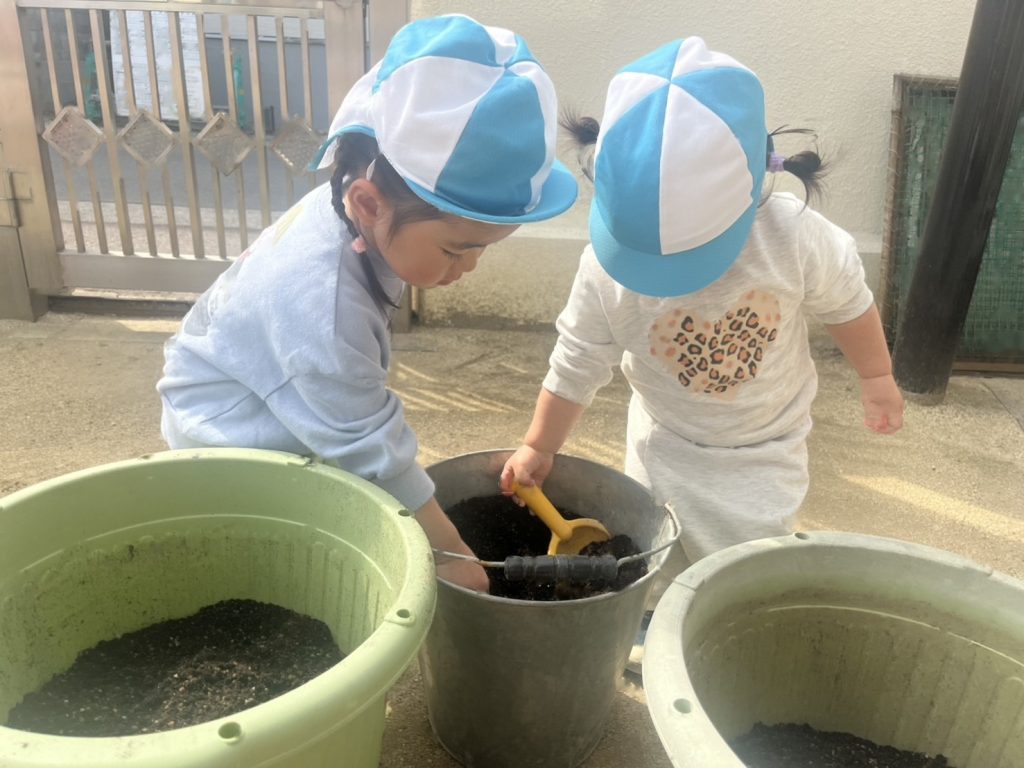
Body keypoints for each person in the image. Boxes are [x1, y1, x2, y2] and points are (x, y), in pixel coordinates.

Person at [157, 14, 578, 592]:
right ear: (370, 203)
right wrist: (449, 554)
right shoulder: (323, 305)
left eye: (481, 249)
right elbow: (365, 443)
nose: (469, 267)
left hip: (266, 396)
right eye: (456, 250)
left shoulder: (352, 211)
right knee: (297, 568)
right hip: (228, 437)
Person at [500, 37, 904, 583]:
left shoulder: (792, 236)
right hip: (664, 443)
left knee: (745, 571)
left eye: (691, 255)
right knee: (655, 557)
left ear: (752, 186)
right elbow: (578, 360)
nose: (671, 277)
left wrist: (876, 376)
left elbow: (848, 302)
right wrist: (539, 445)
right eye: (650, 258)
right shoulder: (602, 269)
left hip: (766, 448)